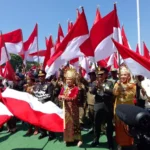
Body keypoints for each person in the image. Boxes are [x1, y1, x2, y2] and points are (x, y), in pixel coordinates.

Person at [90, 68, 114, 150]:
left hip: (107, 106)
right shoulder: (94, 83)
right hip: (98, 105)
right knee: (96, 124)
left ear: (105, 75)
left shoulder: (110, 83)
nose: (100, 76)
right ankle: (96, 140)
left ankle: (110, 142)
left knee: (109, 125)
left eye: (101, 74)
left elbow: (112, 93)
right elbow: (92, 92)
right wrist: (97, 87)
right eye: (98, 74)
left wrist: (103, 88)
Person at [58, 67, 82, 147]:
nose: (68, 81)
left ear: (73, 80)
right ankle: (68, 139)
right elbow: (59, 95)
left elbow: (74, 97)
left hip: (73, 110)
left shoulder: (76, 88)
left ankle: (78, 139)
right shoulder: (64, 88)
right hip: (66, 110)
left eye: (70, 79)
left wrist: (65, 97)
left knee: (75, 123)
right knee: (67, 124)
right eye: (67, 79)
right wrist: (61, 97)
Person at [113, 67, 136, 150]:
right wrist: (118, 87)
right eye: (121, 75)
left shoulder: (132, 85)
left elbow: (130, 96)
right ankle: (120, 143)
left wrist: (123, 89)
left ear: (128, 76)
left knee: (128, 127)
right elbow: (115, 93)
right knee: (119, 128)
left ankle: (129, 143)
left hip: (129, 109)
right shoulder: (117, 84)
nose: (123, 76)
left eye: (125, 75)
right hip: (119, 108)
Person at [33, 70, 56, 140]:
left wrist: (40, 96)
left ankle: (51, 134)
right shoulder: (37, 85)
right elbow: (35, 94)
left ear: (45, 76)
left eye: (42, 76)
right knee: (41, 120)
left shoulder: (49, 84)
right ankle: (43, 133)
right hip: (39, 105)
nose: (40, 77)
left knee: (49, 120)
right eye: (39, 76)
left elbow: (50, 95)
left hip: (47, 104)